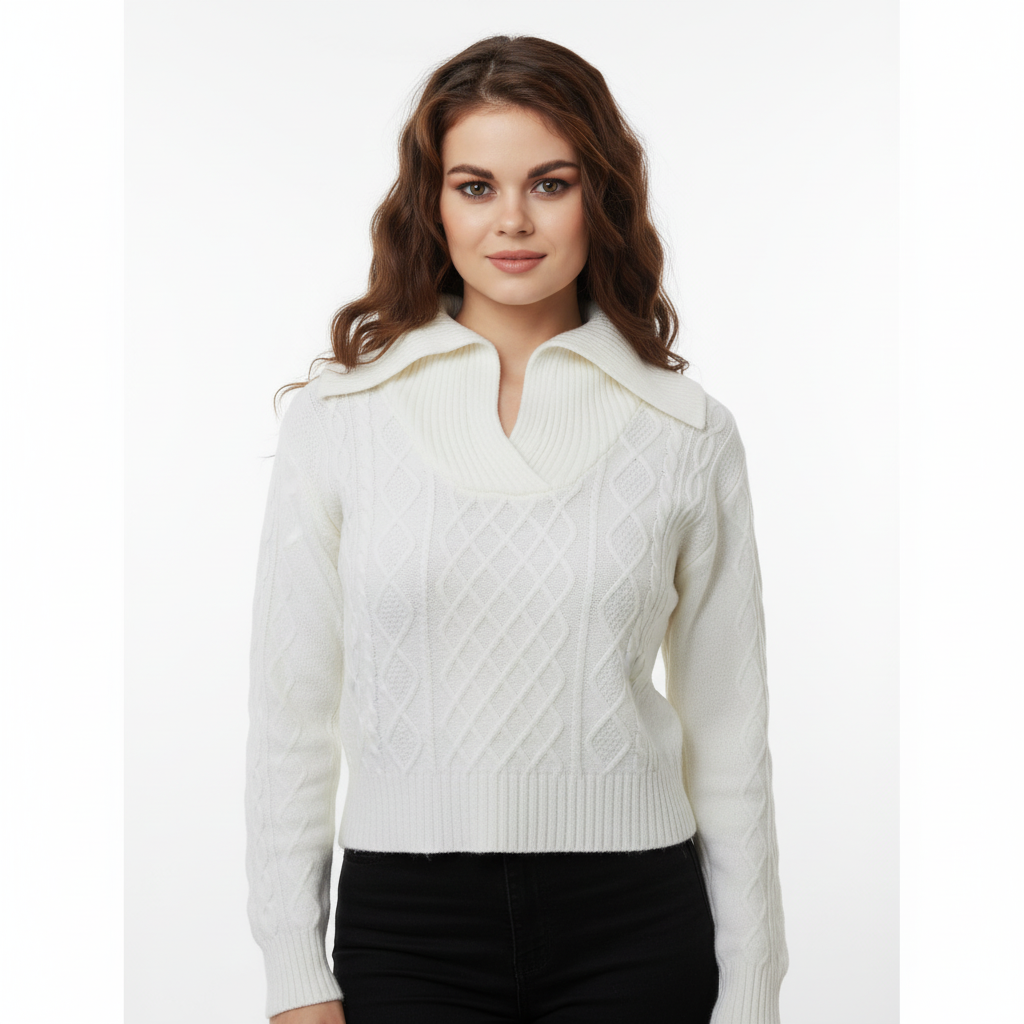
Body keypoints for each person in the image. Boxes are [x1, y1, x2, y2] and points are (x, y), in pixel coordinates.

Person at [245, 34, 788, 1024]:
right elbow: (291, 716)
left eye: (550, 183)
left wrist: (752, 986)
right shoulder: (340, 421)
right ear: (432, 205)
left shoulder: (685, 431)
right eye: (474, 186)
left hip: (635, 924)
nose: (512, 220)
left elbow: (729, 732)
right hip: (407, 930)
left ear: (599, 197)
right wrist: (293, 967)